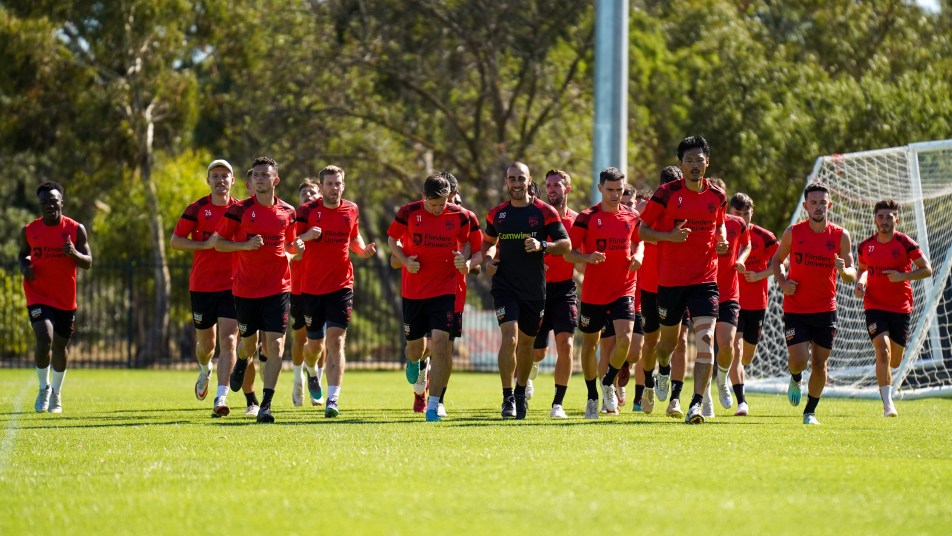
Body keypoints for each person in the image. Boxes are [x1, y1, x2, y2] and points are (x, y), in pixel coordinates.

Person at [638, 135, 729, 424]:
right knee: (668, 345)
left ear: (707, 162)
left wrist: (722, 241)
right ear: (681, 164)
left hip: (705, 279)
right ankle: (663, 369)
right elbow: (642, 230)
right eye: (688, 160)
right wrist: (669, 236)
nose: (694, 165)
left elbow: (720, 226)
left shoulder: (718, 196)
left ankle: (696, 405)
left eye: (699, 160)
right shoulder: (666, 194)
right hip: (671, 281)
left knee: (705, 339)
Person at [213, 156, 303, 424]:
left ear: (276, 180)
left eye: (265, 175)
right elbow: (218, 243)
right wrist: (244, 245)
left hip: (278, 288)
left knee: (275, 345)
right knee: (248, 345)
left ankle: (266, 405)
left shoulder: (288, 212)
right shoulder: (239, 210)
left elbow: (290, 249)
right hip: (245, 290)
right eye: (256, 175)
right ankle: (242, 360)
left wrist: (296, 250)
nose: (260, 179)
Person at [481, 161, 571, 419]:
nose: (517, 183)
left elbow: (565, 244)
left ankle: (521, 392)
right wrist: (488, 260)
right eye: (512, 179)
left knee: (527, 345)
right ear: (506, 182)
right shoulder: (497, 214)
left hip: (533, 289)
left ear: (529, 181)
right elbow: (488, 242)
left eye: (521, 178)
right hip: (504, 286)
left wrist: (543, 245)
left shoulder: (544, 212)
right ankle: (507, 396)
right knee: (510, 337)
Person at [388, 173, 478, 422]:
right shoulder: (408, 212)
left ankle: (434, 404)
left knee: (440, 343)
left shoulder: (460, 216)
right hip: (414, 292)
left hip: (445, 290)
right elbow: (392, 239)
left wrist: (465, 261)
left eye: (443, 204)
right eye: (433, 204)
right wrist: (405, 260)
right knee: (415, 349)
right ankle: (413, 362)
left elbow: (470, 244)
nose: (438, 209)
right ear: (423, 197)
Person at [171, 159, 256, 418]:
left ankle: (221, 397)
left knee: (229, 340)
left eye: (225, 175)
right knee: (206, 345)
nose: (220, 180)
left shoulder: (241, 210)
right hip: (202, 285)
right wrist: (205, 244)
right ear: (208, 180)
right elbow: (176, 241)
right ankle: (204, 367)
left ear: (233, 180)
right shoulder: (197, 208)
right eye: (215, 175)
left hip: (233, 285)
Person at [772, 182, 856, 425]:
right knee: (799, 360)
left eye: (822, 202)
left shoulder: (841, 235)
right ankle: (795, 377)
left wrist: (844, 271)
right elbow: (777, 260)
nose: (818, 207)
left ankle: (810, 412)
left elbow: (851, 273)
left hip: (826, 309)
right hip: (796, 307)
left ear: (829, 205)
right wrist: (783, 282)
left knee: (820, 363)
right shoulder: (793, 232)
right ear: (806, 206)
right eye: (814, 203)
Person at [296, 165, 376, 418]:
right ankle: (311, 371)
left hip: (342, 285)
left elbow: (353, 237)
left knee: (337, 341)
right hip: (311, 287)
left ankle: (332, 399)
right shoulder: (306, 211)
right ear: (320, 187)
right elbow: (291, 243)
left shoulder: (351, 209)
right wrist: (307, 236)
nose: (334, 188)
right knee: (314, 346)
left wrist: (362, 250)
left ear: (343, 184)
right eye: (329, 184)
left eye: (338, 183)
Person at [567, 167, 643, 419]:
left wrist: (639, 255)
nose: (615, 195)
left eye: (619, 190)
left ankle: (608, 382)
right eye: (610, 189)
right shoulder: (586, 218)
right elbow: (569, 253)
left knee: (625, 340)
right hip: (594, 293)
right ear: (600, 188)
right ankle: (592, 396)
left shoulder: (632, 216)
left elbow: (639, 241)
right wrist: (587, 257)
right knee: (590, 345)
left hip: (624, 288)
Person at [854, 199, 932, 417]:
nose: (884, 221)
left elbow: (927, 269)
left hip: (900, 308)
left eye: (889, 217)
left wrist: (902, 276)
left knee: (894, 360)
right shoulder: (865, 246)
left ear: (897, 219)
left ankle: (885, 374)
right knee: (882, 350)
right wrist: (860, 283)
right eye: (880, 216)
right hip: (874, 305)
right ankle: (888, 404)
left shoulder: (905, 243)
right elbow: (863, 269)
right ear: (874, 220)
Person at [20, 182, 93, 414]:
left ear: (61, 202)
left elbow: (88, 262)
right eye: (45, 202)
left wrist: (73, 253)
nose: (49, 206)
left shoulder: (75, 229)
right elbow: (23, 254)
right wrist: (25, 267)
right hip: (38, 294)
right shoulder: (30, 230)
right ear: (40, 205)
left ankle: (56, 393)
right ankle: (44, 388)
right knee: (45, 339)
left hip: (64, 299)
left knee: (60, 346)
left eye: (53, 201)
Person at [634, 169, 691, 419]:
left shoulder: (689, 208)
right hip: (651, 286)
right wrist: (668, 238)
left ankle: (675, 399)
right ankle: (648, 384)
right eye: (668, 187)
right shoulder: (649, 208)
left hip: (680, 284)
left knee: (681, 342)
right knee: (650, 342)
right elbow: (638, 234)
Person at [531, 169, 579, 419]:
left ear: (567, 189)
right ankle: (531, 367)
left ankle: (558, 404)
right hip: (537, 290)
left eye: (557, 185)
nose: (551, 189)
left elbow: (580, 253)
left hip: (564, 290)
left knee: (566, 344)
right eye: (548, 185)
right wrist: (536, 263)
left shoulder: (577, 220)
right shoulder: (536, 218)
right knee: (537, 352)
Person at [703, 178, 750, 419]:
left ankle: (722, 379)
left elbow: (747, 245)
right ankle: (706, 398)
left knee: (728, 344)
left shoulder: (737, 223)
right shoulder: (698, 222)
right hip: (703, 290)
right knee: (705, 347)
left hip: (729, 293)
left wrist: (740, 259)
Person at [728, 192, 778, 416]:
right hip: (732, 300)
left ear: (752, 213)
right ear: (730, 212)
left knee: (746, 356)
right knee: (735, 350)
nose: (741, 217)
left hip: (757, 303)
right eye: (736, 213)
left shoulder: (765, 236)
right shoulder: (724, 233)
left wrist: (760, 275)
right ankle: (742, 402)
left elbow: (782, 264)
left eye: (745, 213)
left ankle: (734, 374)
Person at [290, 179, 325, 408]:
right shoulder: (294, 220)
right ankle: (298, 380)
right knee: (300, 337)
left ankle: (317, 382)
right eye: (304, 192)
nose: (308, 195)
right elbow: (290, 249)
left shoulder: (326, 218)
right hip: (297, 288)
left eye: (312, 191)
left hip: (322, 288)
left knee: (320, 341)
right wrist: (305, 237)